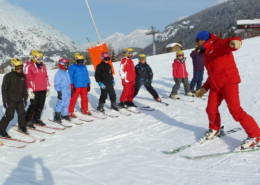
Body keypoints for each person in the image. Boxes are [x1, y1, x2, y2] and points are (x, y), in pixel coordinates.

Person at [195, 30, 260, 150]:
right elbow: (212, 74)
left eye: (197, 42)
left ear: (203, 40)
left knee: (236, 111)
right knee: (211, 108)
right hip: (216, 85)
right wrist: (204, 88)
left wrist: (235, 42)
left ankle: (255, 136)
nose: (196, 45)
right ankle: (215, 129)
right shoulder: (207, 55)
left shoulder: (217, 44)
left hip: (228, 82)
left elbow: (228, 43)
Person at [0, 58, 29, 137]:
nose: (20, 69)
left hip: (20, 99)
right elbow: (4, 90)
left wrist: (25, 98)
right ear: (13, 67)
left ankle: (22, 127)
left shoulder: (23, 76)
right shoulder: (8, 76)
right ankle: (1, 129)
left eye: (21, 67)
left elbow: (24, 88)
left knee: (22, 113)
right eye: (17, 68)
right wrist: (5, 101)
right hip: (11, 100)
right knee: (9, 115)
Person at [24, 50, 50, 129]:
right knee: (33, 105)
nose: (40, 61)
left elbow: (46, 76)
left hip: (43, 88)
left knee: (40, 105)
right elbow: (27, 79)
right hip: (35, 89)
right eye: (38, 59)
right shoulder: (29, 67)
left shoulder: (43, 66)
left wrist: (48, 86)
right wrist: (29, 89)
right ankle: (27, 120)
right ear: (34, 58)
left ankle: (36, 118)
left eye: (41, 59)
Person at [68, 53, 91, 118]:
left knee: (85, 98)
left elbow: (87, 76)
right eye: (79, 61)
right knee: (73, 99)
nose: (81, 63)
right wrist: (72, 85)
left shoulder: (84, 66)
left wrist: (88, 84)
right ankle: (70, 111)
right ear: (75, 60)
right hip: (76, 86)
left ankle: (84, 109)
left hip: (84, 85)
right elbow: (70, 77)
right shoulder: (72, 67)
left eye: (82, 61)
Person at [53, 58, 71, 123]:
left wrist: (70, 90)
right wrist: (59, 91)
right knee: (61, 103)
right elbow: (56, 85)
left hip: (68, 90)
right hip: (62, 91)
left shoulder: (66, 73)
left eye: (67, 65)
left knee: (67, 103)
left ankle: (65, 114)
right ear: (61, 65)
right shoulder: (58, 74)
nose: (67, 66)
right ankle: (57, 116)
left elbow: (68, 82)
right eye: (65, 65)